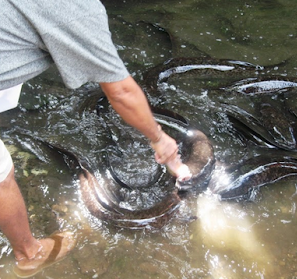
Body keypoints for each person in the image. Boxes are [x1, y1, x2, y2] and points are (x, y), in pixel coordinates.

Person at [0, 0, 191, 277]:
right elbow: (122, 92)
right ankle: (29, 255)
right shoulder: (78, 10)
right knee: (1, 178)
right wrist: (161, 140)